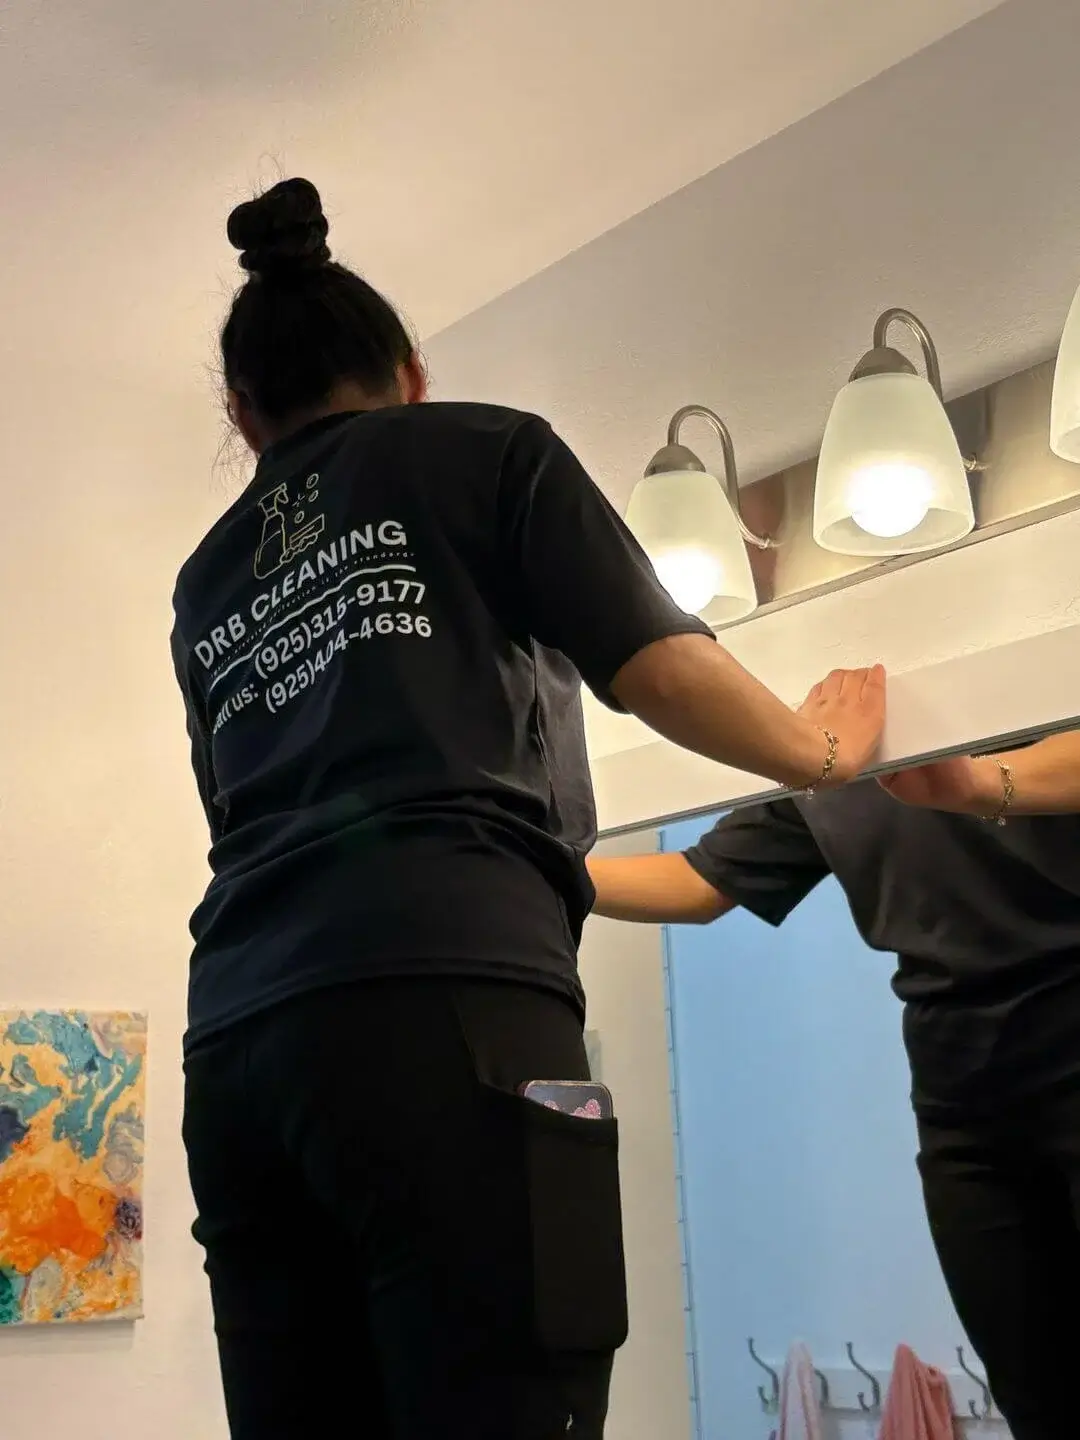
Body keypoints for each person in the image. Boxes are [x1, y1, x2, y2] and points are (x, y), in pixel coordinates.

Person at [170, 176, 886, 1440]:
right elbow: (659, 665)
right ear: (411, 372)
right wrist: (822, 751)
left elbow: (236, 814)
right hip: (455, 1014)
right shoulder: (485, 452)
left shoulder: (206, 580)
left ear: (243, 414)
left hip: (236, 1051)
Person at [588, 733, 1080, 1440]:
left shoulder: (997, 680)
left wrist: (980, 782)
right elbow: (699, 882)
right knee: (1039, 1395)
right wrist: (536, 865)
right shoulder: (831, 744)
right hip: (962, 1095)